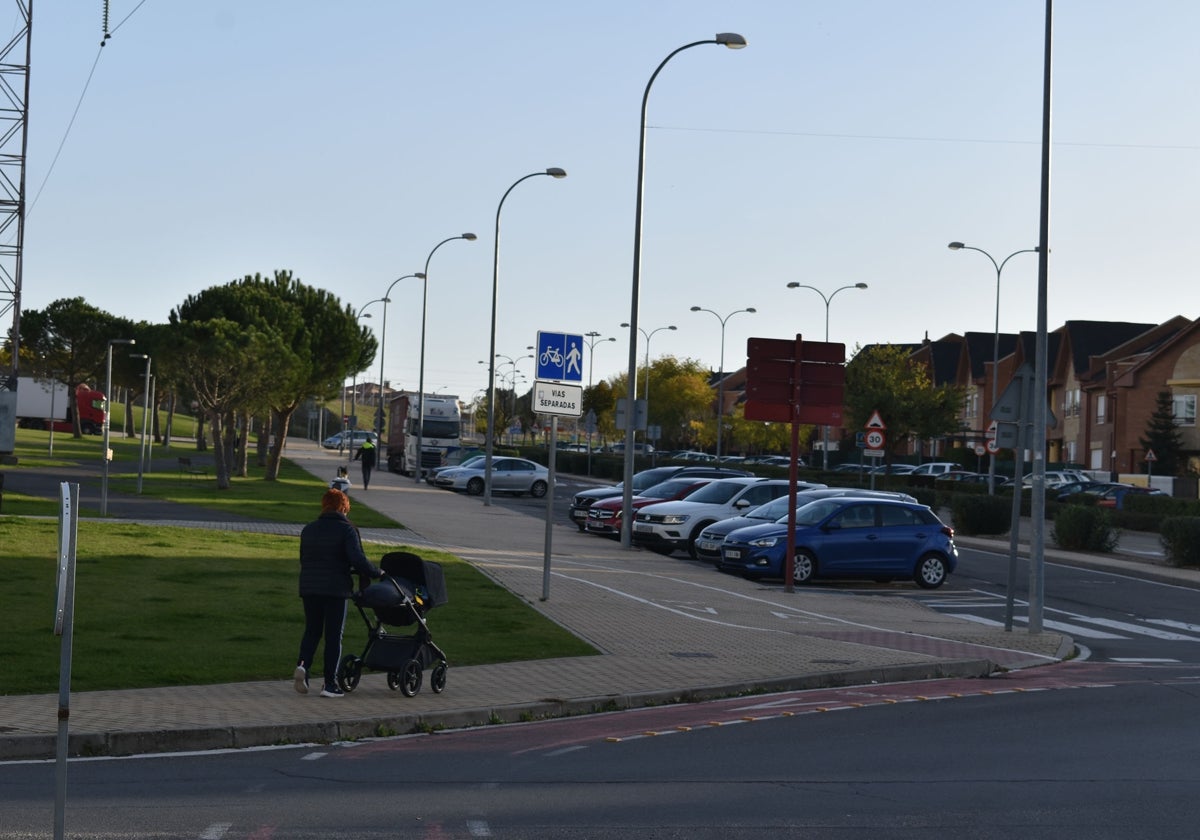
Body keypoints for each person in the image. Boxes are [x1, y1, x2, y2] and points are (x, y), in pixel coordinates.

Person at [294, 488, 382, 698]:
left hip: (309, 587)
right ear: (343, 507)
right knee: (333, 636)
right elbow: (357, 559)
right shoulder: (346, 530)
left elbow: (304, 558)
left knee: (312, 631)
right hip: (335, 589)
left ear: (324, 505)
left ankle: (303, 667)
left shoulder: (309, 529)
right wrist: (376, 572)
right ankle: (329, 684)